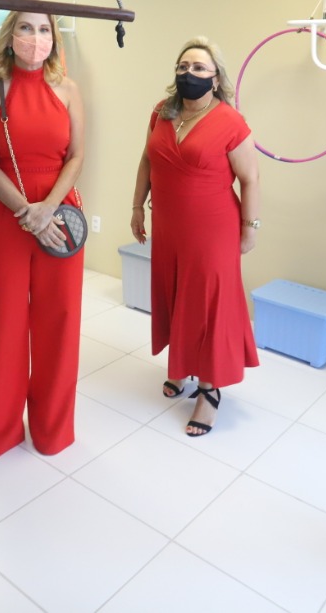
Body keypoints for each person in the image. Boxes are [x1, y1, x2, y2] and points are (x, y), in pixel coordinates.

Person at [0, 8, 85, 457]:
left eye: (44, 29)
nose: (35, 38)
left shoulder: (69, 90)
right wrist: (26, 211)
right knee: (3, 326)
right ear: (10, 35)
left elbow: (76, 156)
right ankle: (1, 430)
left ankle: (53, 430)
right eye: (26, 28)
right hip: (5, 216)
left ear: (54, 38)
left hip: (59, 216)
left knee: (60, 323)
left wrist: (48, 208)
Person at [130, 37, 260, 437]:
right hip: (169, 225)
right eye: (184, 66)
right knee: (176, 295)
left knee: (207, 305)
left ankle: (209, 388)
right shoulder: (161, 112)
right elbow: (147, 159)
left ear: (216, 78)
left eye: (200, 68)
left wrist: (250, 227)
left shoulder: (231, 122)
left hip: (213, 229)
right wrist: (137, 206)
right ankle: (182, 366)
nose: (190, 73)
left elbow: (250, 178)